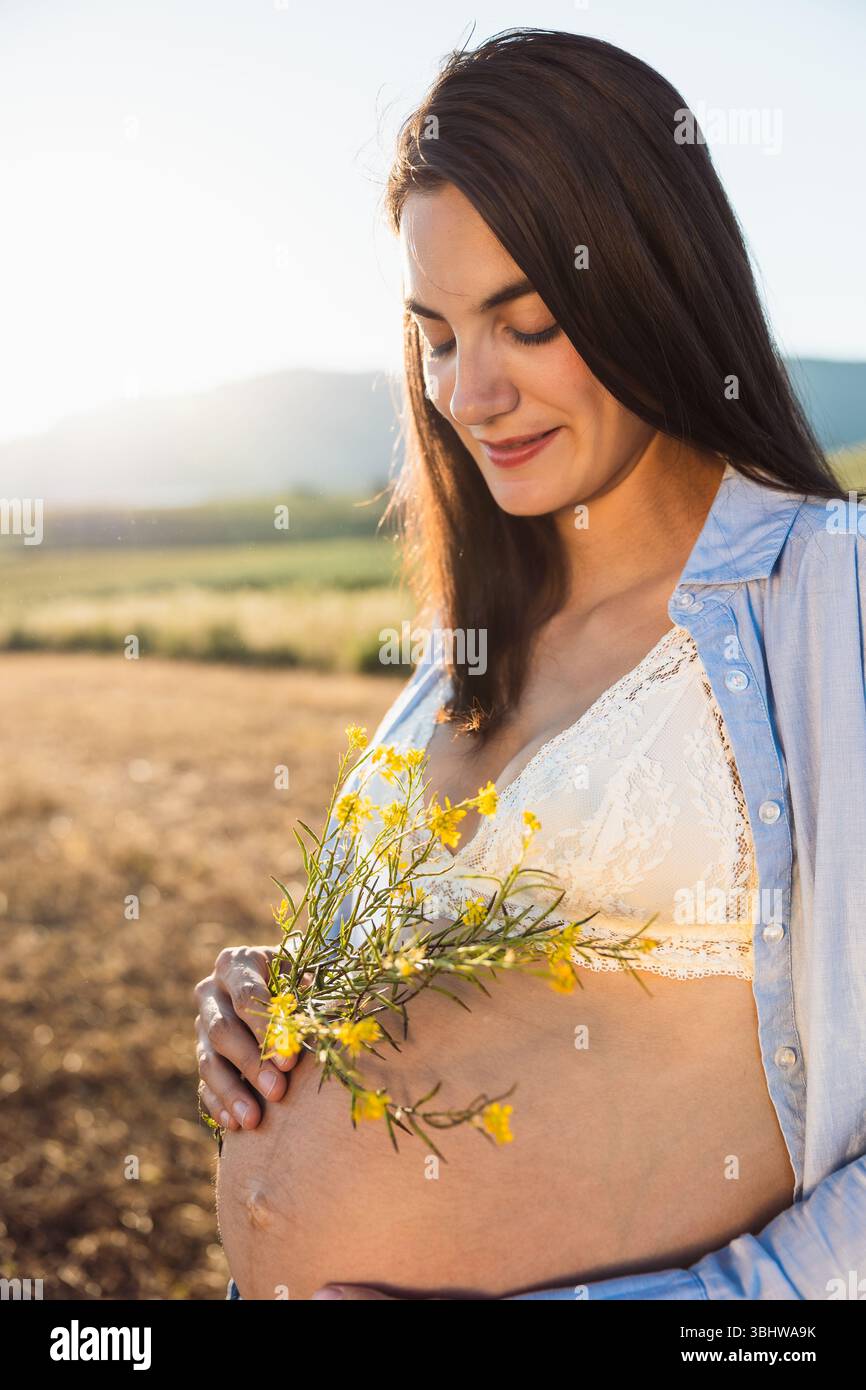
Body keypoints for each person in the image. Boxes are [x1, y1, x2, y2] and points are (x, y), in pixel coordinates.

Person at [194, 28, 866, 1300]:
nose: (470, 391)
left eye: (529, 321)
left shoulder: (835, 596)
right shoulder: (463, 655)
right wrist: (262, 1013)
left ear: (653, 288)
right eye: (436, 335)